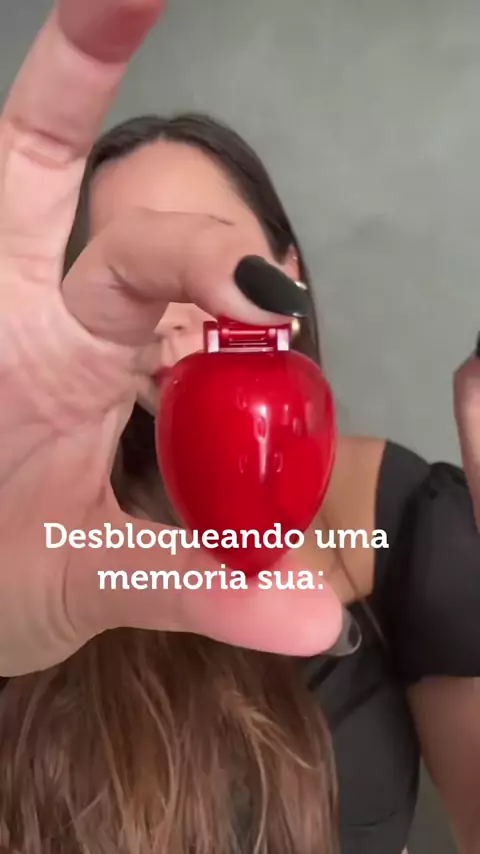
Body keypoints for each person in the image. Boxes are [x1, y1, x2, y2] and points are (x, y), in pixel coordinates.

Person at [0, 2, 478, 853]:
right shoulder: (38, 537)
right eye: (133, 271)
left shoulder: (397, 516)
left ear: (285, 277)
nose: (173, 311)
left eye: (208, 253)